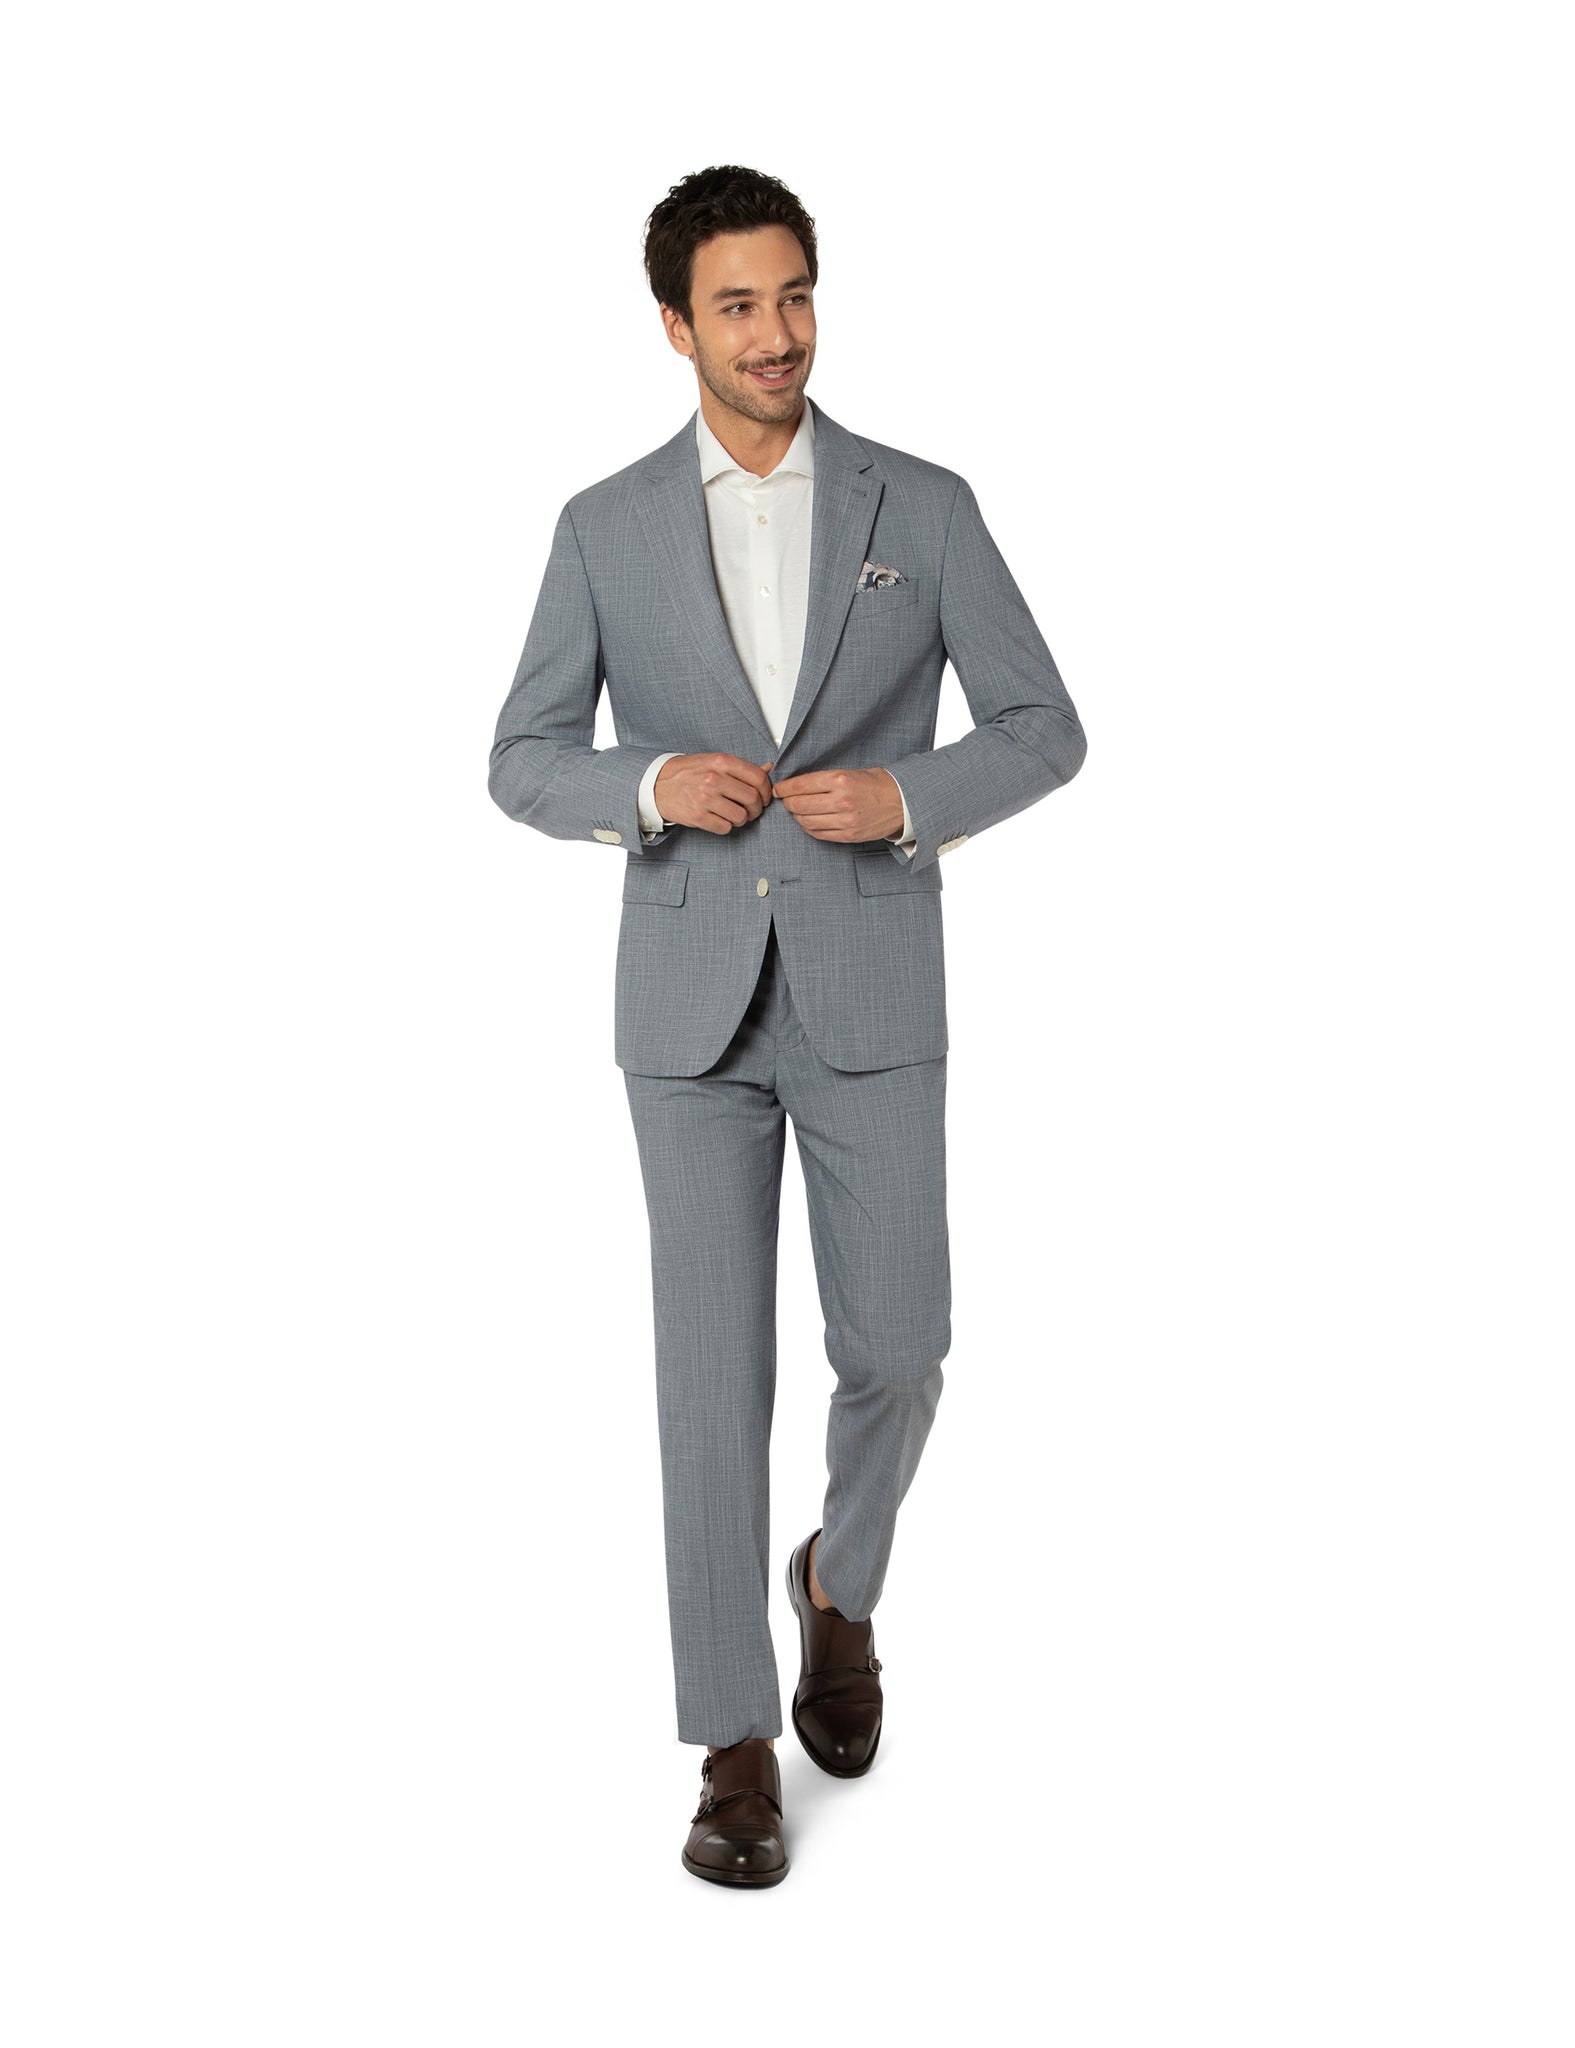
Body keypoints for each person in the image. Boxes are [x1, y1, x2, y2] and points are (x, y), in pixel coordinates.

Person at [487, 164, 1087, 1887]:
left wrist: (905, 800)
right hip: (685, 1011)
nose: (777, 334)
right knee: (707, 1386)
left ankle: (840, 1579)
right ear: (676, 327)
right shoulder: (601, 526)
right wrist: (647, 784)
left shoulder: (926, 506)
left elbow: (1044, 726)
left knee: (901, 1344)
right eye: (738, 305)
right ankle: (731, 1739)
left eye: (796, 295)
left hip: (871, 983)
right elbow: (521, 758)